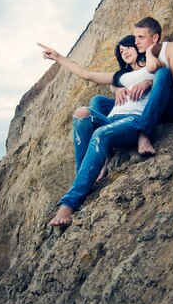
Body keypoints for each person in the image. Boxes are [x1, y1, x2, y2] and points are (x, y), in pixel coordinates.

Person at [37, 36, 162, 227]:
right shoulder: (121, 77)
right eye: (121, 51)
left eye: (128, 47)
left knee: (100, 134)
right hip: (112, 119)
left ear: (138, 47)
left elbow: (164, 80)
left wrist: (148, 82)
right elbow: (86, 74)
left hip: (133, 121)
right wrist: (58, 57)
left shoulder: (152, 69)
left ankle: (69, 203)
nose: (125, 52)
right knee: (81, 113)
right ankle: (83, 180)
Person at [90, 17, 173, 155]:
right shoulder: (141, 58)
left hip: (168, 107)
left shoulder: (170, 48)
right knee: (98, 100)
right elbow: (121, 79)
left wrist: (149, 83)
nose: (136, 42)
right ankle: (106, 149)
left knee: (163, 73)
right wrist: (117, 89)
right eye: (135, 38)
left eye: (140, 37)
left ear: (155, 37)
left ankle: (144, 135)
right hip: (144, 107)